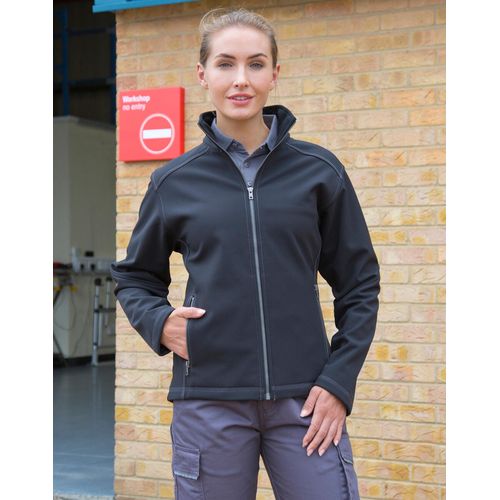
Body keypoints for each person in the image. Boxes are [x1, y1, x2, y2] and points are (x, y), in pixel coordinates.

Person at [110, 7, 380, 500]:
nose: (241, 79)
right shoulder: (174, 182)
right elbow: (135, 277)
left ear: (274, 74)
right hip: (208, 399)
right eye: (225, 64)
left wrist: (339, 380)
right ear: (203, 74)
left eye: (255, 64)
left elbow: (359, 283)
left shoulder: (319, 172)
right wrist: (159, 322)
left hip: (306, 400)